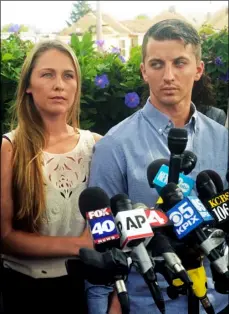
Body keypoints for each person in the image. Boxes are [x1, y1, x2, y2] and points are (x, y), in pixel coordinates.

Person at [86, 19, 229, 314]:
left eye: (179, 63)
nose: (168, 76)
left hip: (218, 299)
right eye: (156, 64)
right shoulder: (115, 145)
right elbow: (103, 240)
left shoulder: (222, 139)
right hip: (148, 304)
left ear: (198, 69)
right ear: (143, 71)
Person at [0, 39, 102, 313]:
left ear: (77, 86)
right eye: (47, 74)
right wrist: (78, 245)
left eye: (68, 76)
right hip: (23, 291)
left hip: (84, 289)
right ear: (28, 86)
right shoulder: (10, 148)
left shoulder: (96, 146)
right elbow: (5, 235)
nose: (59, 84)